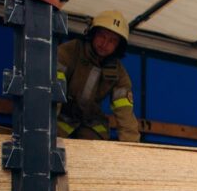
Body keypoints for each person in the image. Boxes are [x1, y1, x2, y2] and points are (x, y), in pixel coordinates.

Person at [57, 10, 140, 141]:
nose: (105, 44)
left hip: (91, 128)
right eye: (102, 36)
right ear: (92, 33)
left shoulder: (119, 73)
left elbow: (125, 115)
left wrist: (133, 151)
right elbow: (52, 93)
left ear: (118, 46)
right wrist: (45, 127)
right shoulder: (70, 51)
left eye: (112, 41)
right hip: (58, 121)